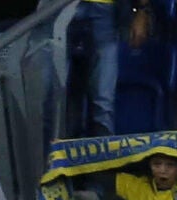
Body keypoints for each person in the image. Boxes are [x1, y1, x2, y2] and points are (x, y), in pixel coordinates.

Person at [62, 0, 153, 138]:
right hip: (58, 7)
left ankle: (104, 156)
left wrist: (141, 10)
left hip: (105, 10)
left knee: (103, 99)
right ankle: (57, 156)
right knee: (57, 97)